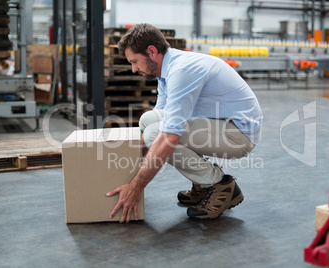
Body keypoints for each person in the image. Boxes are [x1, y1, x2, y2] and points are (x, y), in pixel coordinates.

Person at [106, 23, 263, 223]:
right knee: (148, 121)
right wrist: (133, 164)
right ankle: (203, 182)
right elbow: (160, 116)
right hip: (219, 124)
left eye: (135, 61)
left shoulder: (182, 71)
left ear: (151, 52)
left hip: (239, 135)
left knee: (157, 135)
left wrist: (136, 185)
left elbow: (168, 136)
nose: (134, 69)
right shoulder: (165, 71)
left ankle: (220, 185)